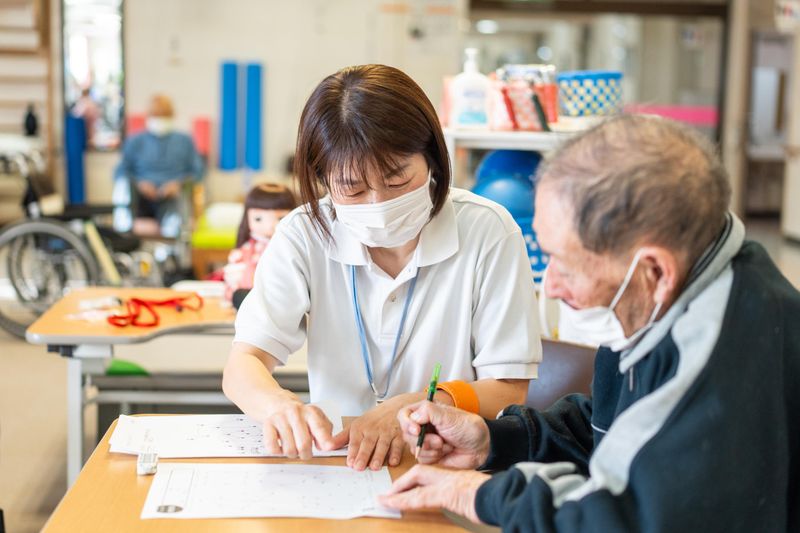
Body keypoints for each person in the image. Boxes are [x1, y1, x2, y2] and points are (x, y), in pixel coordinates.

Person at [379, 115, 800, 531]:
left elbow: (626, 521)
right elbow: (612, 427)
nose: (554, 286)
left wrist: (474, 494)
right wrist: (494, 440)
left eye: (565, 263)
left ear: (655, 270)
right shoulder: (670, 285)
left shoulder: (720, 357)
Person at [223, 64, 542, 471]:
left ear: (431, 158)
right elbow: (243, 364)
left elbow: (510, 389)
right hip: (339, 463)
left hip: (451, 463)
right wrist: (277, 405)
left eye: (396, 180)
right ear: (321, 178)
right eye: (352, 189)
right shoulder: (303, 234)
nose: (377, 204)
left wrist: (423, 405)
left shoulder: (488, 231)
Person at [114, 94, 204, 237]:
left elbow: (198, 172)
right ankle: (128, 230)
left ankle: (173, 229)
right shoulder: (135, 141)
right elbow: (120, 171)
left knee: (175, 224)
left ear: (172, 115)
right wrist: (139, 183)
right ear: (149, 116)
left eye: (164, 115)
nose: (160, 119)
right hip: (142, 199)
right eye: (156, 115)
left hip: (173, 197)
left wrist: (178, 184)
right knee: (127, 196)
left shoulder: (184, 141)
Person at [223, 183, 297, 303]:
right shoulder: (247, 249)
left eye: (280, 218)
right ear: (247, 218)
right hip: (251, 294)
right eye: (258, 219)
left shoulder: (289, 246)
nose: (269, 226)